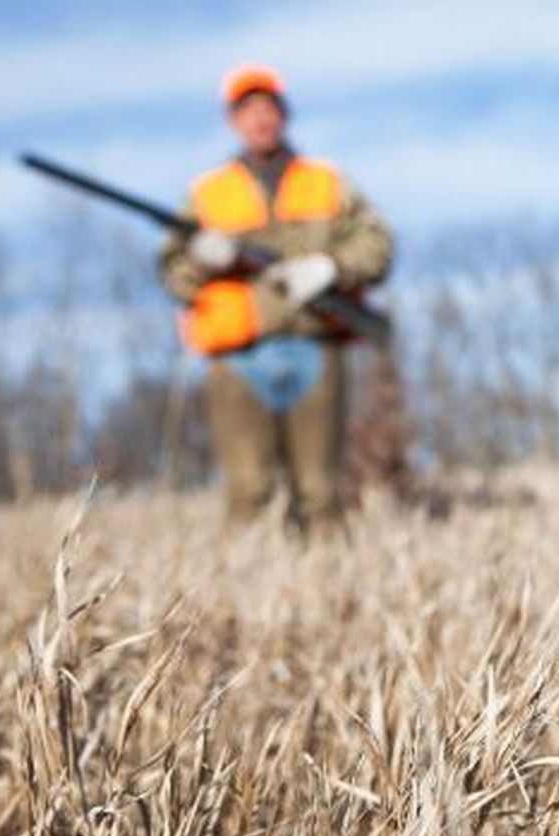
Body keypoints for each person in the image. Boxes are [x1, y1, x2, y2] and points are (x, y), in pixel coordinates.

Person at [159, 64, 393, 531]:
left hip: (315, 343)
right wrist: (203, 258)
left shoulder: (327, 180)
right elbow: (173, 274)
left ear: (284, 115)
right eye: (248, 110)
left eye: (268, 108)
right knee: (248, 495)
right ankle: (240, 600)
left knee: (321, 494)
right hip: (238, 355)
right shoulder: (208, 193)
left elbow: (378, 246)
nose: (259, 119)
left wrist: (331, 268)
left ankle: (328, 590)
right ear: (233, 121)